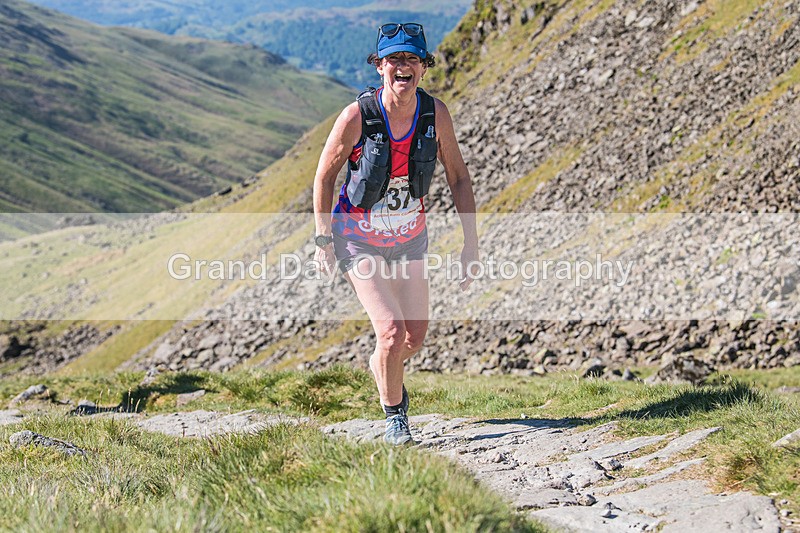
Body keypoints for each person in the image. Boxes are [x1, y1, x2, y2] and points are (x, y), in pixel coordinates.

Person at [312, 22, 479, 445]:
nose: (403, 66)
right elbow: (324, 177)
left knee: (413, 337)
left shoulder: (435, 114)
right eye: (394, 59)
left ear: (424, 67)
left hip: (410, 240)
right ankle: (395, 418)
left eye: (411, 59)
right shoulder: (357, 116)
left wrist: (470, 244)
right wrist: (323, 239)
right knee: (389, 331)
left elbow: (458, 177)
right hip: (357, 238)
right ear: (379, 66)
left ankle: (382, 365)